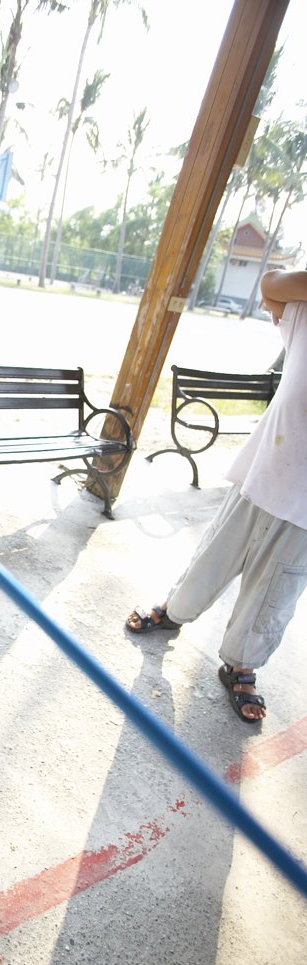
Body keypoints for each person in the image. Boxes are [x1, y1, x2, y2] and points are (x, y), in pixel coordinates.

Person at [126, 268, 307, 724]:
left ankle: (241, 667)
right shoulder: (303, 312)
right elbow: (271, 284)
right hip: (264, 473)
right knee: (214, 558)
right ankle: (173, 610)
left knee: (276, 589)